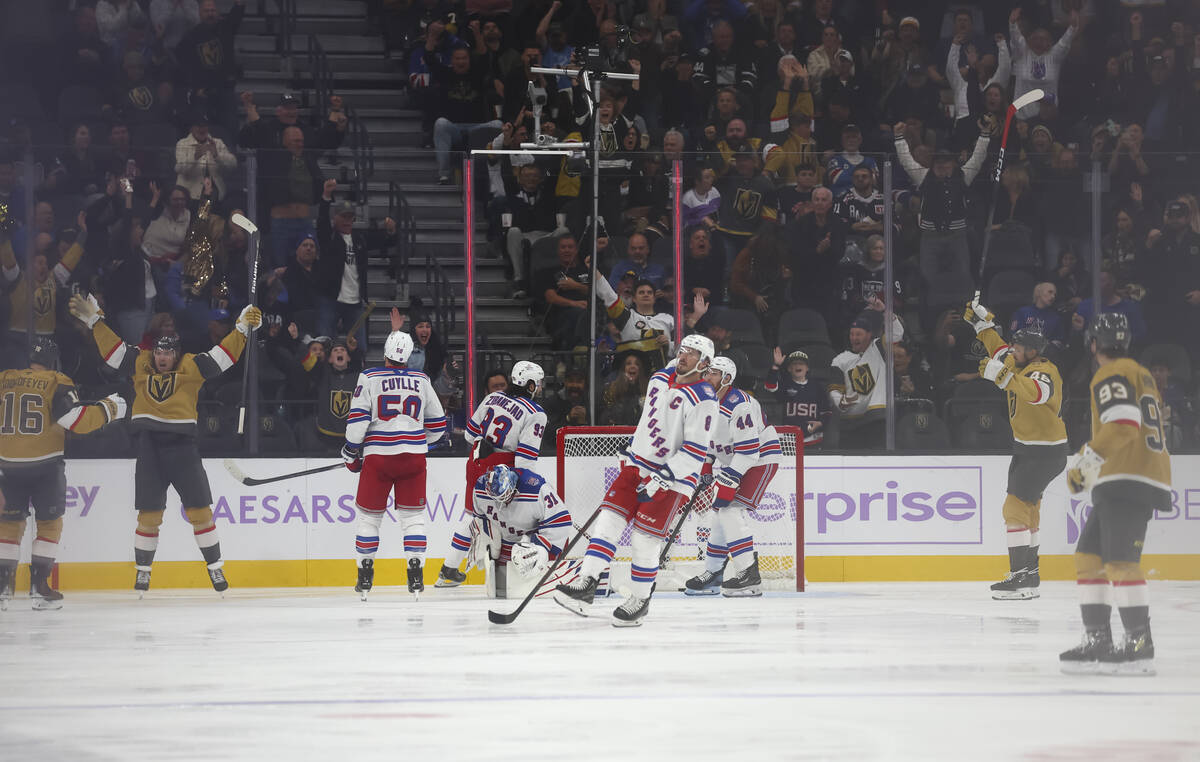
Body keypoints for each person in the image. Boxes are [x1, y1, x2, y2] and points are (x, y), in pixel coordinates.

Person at [68, 292, 261, 595]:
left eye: (167, 354)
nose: (161, 357)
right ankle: (143, 572)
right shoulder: (140, 362)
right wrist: (95, 322)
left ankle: (215, 568)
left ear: (176, 355)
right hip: (150, 447)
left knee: (200, 512)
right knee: (149, 514)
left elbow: (224, 357)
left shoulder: (193, 367)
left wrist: (240, 331)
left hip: (184, 447)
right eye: (158, 352)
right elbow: (114, 351)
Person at [554, 334, 718, 626]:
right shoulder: (660, 377)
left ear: (704, 363)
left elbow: (695, 452)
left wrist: (663, 477)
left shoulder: (704, 399)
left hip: (671, 480)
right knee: (608, 522)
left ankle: (640, 600)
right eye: (682, 351)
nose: (683, 356)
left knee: (644, 541)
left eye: (692, 354)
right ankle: (587, 583)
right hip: (635, 466)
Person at [1060, 313, 1171, 676]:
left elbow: (1123, 425)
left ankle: (1139, 641)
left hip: (1127, 475)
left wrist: (1085, 465)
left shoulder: (1110, 373)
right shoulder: (1141, 373)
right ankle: (1098, 639)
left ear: (1093, 344)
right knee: (1088, 557)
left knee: (1121, 562)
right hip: (1132, 474)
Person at [0, 339, 127, 610]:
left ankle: (2, 591)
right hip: (45, 465)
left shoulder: (5, 379)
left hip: (7, 466)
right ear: (54, 361)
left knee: (8, 527)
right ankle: (39, 589)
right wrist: (109, 409)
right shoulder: (57, 380)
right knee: (49, 525)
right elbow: (76, 421)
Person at [965, 301, 1068, 600]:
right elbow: (997, 349)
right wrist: (981, 324)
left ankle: (1020, 576)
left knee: (1014, 510)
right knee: (1029, 510)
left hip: (1043, 453)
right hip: (1030, 450)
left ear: (1033, 352)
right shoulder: (1017, 362)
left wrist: (1002, 377)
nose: (1012, 351)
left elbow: (1037, 394)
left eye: (1018, 348)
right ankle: (1030, 575)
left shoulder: (1043, 370)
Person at [342, 330, 447, 601]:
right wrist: (417, 442)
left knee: (369, 520)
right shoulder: (422, 379)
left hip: (378, 458)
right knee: (413, 519)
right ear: (409, 354)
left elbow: (357, 424)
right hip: (413, 458)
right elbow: (438, 425)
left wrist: (351, 452)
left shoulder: (369, 377)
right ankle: (415, 573)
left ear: (385, 352)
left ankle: (365, 573)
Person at [684, 356, 779, 597]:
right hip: (736, 461)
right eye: (706, 372)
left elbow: (749, 451)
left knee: (729, 510)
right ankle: (714, 572)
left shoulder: (740, 404)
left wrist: (729, 478)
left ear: (727, 379)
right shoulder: (704, 403)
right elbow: (705, 443)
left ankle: (748, 574)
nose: (707, 377)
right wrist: (706, 469)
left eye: (713, 373)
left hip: (759, 460)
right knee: (720, 512)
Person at [436, 464, 572, 595]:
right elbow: (479, 518)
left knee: (525, 560)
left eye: (504, 497)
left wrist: (543, 552)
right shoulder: (480, 488)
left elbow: (561, 521)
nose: (500, 504)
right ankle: (450, 567)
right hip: (504, 540)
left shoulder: (536, 489)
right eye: (496, 499)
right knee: (471, 524)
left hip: (529, 541)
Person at [463, 361, 547, 525]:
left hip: (476, 464)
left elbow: (469, 435)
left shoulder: (493, 397)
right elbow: (525, 463)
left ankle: (460, 551)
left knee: (473, 521)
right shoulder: (535, 413)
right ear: (530, 385)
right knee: (504, 528)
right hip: (502, 474)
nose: (540, 388)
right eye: (539, 383)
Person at [829, 311, 903, 449]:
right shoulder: (839, 360)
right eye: (852, 334)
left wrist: (887, 312)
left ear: (869, 335)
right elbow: (834, 389)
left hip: (876, 420)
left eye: (858, 334)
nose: (854, 337)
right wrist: (841, 402)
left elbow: (897, 333)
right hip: (849, 424)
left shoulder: (879, 349)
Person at [595, 272, 675, 371]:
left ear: (654, 298)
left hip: (663, 376)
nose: (646, 294)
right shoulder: (626, 317)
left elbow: (683, 347)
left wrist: (668, 345)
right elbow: (608, 296)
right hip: (632, 375)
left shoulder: (669, 319)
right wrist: (595, 271)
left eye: (649, 292)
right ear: (634, 298)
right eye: (641, 292)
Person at [765, 348, 828, 446]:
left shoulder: (817, 387)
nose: (798, 366)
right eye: (794, 364)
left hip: (812, 439)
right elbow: (770, 386)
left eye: (801, 363)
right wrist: (776, 366)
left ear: (807, 368)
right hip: (790, 441)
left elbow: (826, 411)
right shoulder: (785, 385)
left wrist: (820, 423)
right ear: (789, 368)